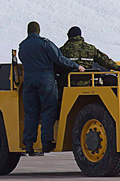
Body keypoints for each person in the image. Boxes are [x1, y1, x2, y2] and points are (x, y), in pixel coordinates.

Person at [18, 21, 84, 155]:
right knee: (48, 109)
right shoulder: (45, 43)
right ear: (38, 30)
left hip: (29, 79)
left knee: (31, 112)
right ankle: (46, 142)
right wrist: (76, 66)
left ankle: (29, 144)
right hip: (45, 78)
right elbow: (59, 58)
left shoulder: (22, 46)